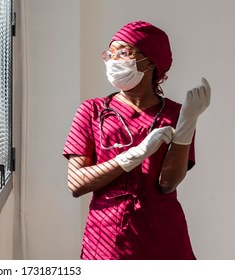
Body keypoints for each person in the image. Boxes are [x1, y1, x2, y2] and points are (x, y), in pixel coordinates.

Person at [62, 21, 211, 260]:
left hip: (163, 236)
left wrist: (187, 124)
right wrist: (134, 155)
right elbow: (76, 183)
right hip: (107, 239)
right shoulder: (91, 111)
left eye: (124, 53)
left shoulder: (176, 114)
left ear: (151, 60)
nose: (114, 61)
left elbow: (167, 184)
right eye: (110, 54)